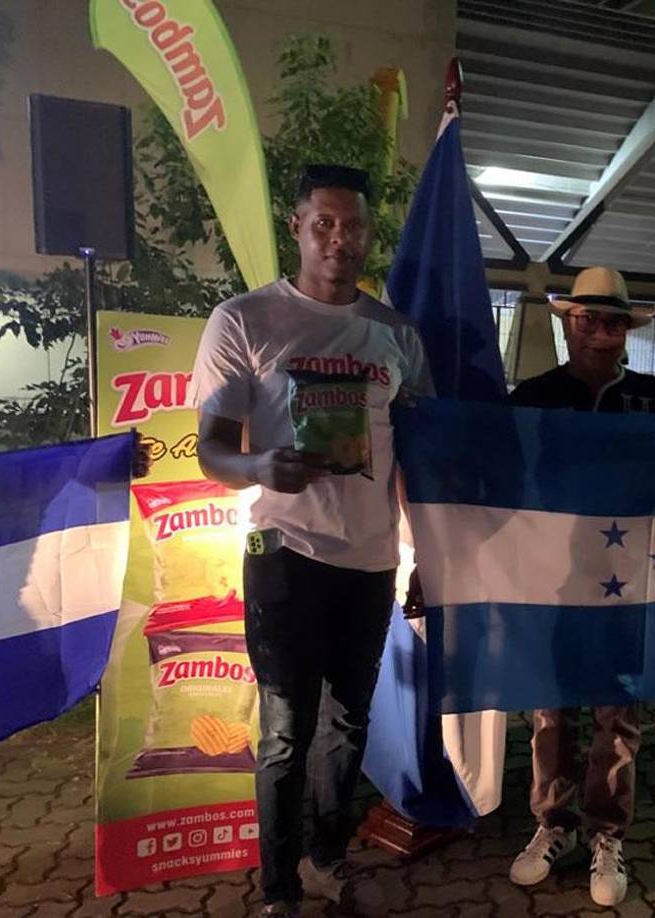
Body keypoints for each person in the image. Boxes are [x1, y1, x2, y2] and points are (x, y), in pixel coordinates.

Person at [191, 164, 433, 918]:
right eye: (324, 223)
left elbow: (419, 456)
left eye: (353, 225)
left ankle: (326, 859)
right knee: (286, 732)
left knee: (348, 723)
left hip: (370, 563)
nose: (340, 238)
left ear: (369, 234)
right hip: (284, 554)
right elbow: (210, 451)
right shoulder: (244, 320)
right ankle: (277, 891)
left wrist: (428, 553)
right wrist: (258, 465)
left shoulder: (396, 335)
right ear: (296, 225)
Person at [506, 265, 655, 907]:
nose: (599, 331)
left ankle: (607, 835)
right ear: (567, 323)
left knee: (617, 718)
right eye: (586, 318)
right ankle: (552, 826)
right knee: (549, 711)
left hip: (627, 587)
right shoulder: (529, 397)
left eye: (612, 321)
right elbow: (481, 468)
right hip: (550, 584)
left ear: (625, 332)